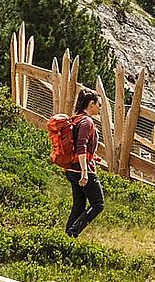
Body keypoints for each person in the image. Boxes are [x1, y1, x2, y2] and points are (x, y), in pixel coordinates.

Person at [62, 90, 108, 237]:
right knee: (98, 204)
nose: (100, 108)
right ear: (91, 104)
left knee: (79, 206)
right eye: (99, 105)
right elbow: (81, 146)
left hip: (71, 169)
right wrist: (84, 171)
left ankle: (66, 239)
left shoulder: (76, 119)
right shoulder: (87, 122)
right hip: (83, 170)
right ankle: (73, 232)